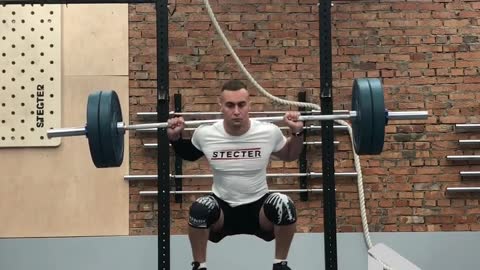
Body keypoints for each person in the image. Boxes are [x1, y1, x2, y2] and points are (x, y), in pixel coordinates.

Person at [167, 80, 304, 270]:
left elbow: (290, 155)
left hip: (259, 209)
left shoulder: (267, 132)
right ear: (221, 106)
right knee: (199, 208)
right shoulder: (206, 133)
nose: (236, 111)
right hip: (223, 209)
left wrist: (297, 133)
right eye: (230, 105)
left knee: (284, 204)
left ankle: (280, 264)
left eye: (241, 104)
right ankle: (199, 266)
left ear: (249, 105)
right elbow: (189, 154)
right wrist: (175, 138)